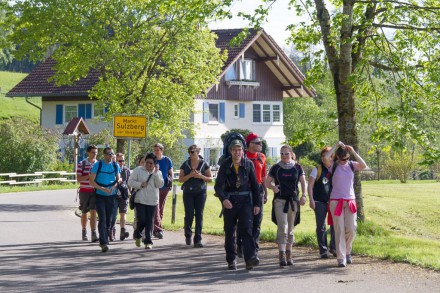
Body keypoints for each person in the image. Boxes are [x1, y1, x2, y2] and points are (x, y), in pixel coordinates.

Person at [214, 140, 261, 270]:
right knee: (230, 232)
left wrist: (257, 204)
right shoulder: (225, 165)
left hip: (245, 202)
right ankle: (231, 259)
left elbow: (256, 186)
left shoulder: (248, 164)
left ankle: (250, 258)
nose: (237, 152)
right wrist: (223, 199)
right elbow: (218, 187)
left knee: (246, 230)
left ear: (243, 151)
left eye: (239, 150)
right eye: (234, 150)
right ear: (231, 151)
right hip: (230, 202)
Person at [326, 141, 367, 267]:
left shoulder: (351, 165)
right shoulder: (332, 165)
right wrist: (336, 146)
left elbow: (364, 165)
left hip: (350, 200)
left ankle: (348, 251)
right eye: (343, 159)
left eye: (347, 158)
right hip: (336, 201)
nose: (345, 160)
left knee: (351, 228)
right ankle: (341, 257)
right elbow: (326, 157)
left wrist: (353, 151)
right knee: (339, 229)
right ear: (337, 157)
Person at [265, 144, 306, 266]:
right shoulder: (276, 168)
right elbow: (267, 182)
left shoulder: (297, 167)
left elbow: (303, 182)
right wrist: (273, 187)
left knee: (291, 229)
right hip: (279, 201)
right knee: (282, 226)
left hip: (293, 201)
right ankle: (281, 254)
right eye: (282, 153)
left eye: (286, 153)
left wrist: (304, 195)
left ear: (291, 154)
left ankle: (289, 253)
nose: (284, 156)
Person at [236, 133, 267, 257]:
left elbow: (263, 176)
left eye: (261, 142)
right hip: (244, 190)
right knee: (244, 220)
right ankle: (240, 244)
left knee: (257, 220)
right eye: (258, 143)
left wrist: (265, 192)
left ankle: (254, 248)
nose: (261, 145)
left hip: (258, 190)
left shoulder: (262, 157)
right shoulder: (242, 156)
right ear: (250, 144)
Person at [179, 145, 212, 247]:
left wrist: (201, 176)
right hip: (188, 192)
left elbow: (210, 178)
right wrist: (190, 175)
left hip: (200, 192)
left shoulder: (204, 164)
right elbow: (180, 179)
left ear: (198, 152)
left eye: (193, 152)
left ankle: (198, 239)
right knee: (189, 214)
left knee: (199, 215)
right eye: (190, 152)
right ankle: (188, 234)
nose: (191, 153)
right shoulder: (185, 164)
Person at [128, 153, 164, 249]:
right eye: (147, 162)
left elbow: (160, 185)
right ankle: (138, 234)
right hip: (140, 199)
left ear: (154, 164)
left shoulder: (158, 173)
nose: (148, 165)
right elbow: (130, 181)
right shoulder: (138, 170)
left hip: (152, 200)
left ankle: (148, 241)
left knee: (149, 221)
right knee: (142, 220)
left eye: (151, 163)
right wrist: (140, 184)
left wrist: (155, 173)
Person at [89, 147, 121, 252]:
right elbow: (91, 181)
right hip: (99, 195)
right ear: (104, 155)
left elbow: (119, 179)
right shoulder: (98, 165)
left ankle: (106, 237)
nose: (110, 156)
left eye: (111, 154)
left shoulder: (115, 165)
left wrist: (113, 187)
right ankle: (103, 242)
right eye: (108, 154)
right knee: (102, 218)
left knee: (109, 220)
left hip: (111, 195)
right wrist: (101, 188)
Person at [308, 146, 336, 259]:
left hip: (333, 201)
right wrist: (311, 199)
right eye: (324, 155)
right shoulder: (317, 169)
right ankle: (323, 250)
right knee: (321, 226)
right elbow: (310, 185)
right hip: (319, 201)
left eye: (328, 155)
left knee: (334, 225)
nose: (326, 157)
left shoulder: (335, 168)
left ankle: (334, 247)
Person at [76, 145, 98, 242]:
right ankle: (84, 230)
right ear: (88, 153)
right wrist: (89, 176)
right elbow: (78, 179)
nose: (95, 154)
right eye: (93, 152)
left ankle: (94, 232)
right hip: (84, 191)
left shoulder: (99, 164)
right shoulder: (82, 164)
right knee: (84, 212)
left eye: (96, 152)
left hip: (95, 191)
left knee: (93, 211)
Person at [152, 143, 173, 239]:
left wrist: (169, 183)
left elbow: (170, 173)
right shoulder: (152, 160)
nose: (156, 152)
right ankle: (157, 228)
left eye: (157, 150)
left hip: (164, 187)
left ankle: (156, 228)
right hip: (154, 187)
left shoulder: (167, 160)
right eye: (154, 150)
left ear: (162, 150)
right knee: (156, 208)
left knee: (161, 207)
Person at [109, 152, 130, 241]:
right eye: (119, 161)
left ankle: (122, 231)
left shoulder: (126, 170)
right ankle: (112, 232)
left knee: (123, 214)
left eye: (123, 160)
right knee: (113, 216)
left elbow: (129, 183)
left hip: (123, 195)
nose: (121, 162)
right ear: (115, 160)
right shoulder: (112, 169)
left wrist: (129, 192)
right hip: (114, 195)